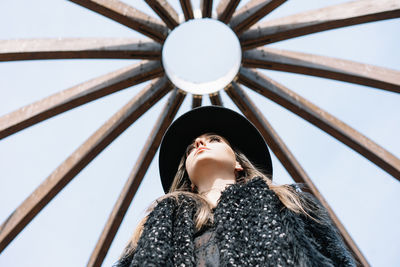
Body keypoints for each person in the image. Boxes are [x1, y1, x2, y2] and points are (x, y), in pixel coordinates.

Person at [115, 106, 356, 267]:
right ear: (187, 176)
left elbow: (335, 257)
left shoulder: (287, 202)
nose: (199, 143)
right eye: (190, 149)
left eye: (214, 139)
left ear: (239, 163)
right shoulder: (160, 223)